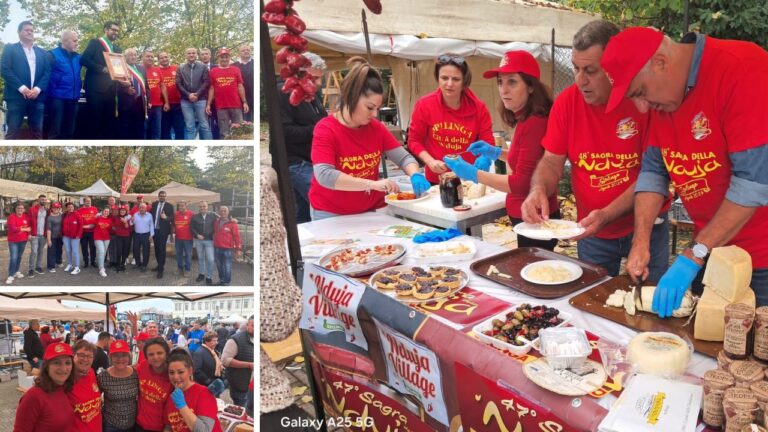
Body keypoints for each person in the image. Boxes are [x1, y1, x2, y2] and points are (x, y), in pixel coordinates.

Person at [599, 27, 768, 314]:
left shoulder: (741, 69)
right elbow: (654, 171)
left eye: (640, 92)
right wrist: (640, 242)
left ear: (660, 62)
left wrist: (693, 255)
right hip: (711, 251)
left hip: (761, 260)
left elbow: (754, 183)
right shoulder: (665, 97)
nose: (641, 108)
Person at [520, 20, 670, 280]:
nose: (580, 80)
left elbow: (654, 174)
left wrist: (608, 214)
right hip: (592, 231)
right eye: (576, 69)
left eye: (590, 70)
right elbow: (551, 162)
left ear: (615, 66)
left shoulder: (643, 100)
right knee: (592, 299)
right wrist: (538, 189)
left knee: (650, 302)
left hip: (647, 228)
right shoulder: (567, 103)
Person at [444, 50, 559, 250]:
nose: (503, 90)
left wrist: (474, 174)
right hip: (530, 217)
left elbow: (521, 183)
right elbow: (527, 161)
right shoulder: (526, 119)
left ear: (531, 86)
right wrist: (497, 153)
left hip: (534, 218)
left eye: (512, 82)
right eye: (500, 82)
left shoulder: (534, 123)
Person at [309, 56, 431, 219]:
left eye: (377, 108)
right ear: (351, 98)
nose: (374, 114)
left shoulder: (376, 128)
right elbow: (325, 175)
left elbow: (403, 158)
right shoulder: (326, 129)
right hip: (331, 212)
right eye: (369, 107)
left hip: (372, 208)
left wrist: (415, 174)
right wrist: (371, 184)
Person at [407, 53, 494, 185]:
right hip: (436, 180)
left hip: (469, 179)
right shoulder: (424, 105)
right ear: (437, 78)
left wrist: (485, 157)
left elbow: (488, 141)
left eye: (456, 79)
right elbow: (414, 140)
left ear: (464, 80)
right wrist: (430, 161)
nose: (449, 84)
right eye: (444, 78)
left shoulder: (479, 108)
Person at [278, 51, 328, 224]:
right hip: (295, 161)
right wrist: (318, 129)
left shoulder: (311, 93)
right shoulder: (284, 92)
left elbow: (320, 118)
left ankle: (304, 246)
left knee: (303, 212)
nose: (319, 83)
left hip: (311, 159)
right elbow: (283, 132)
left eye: (319, 78)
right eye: (314, 79)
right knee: (324, 203)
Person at [1, 21, 51, 139]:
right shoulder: (10, 49)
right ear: (19, 32)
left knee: (37, 134)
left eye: (32, 30)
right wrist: (22, 88)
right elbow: (5, 69)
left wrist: (37, 89)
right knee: (12, 133)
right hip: (16, 97)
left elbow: (47, 72)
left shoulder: (42, 52)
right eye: (26, 30)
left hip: (37, 98)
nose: (30, 32)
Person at [13, 342, 75, 432]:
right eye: (57, 363)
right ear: (47, 366)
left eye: (68, 363)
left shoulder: (63, 388)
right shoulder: (33, 397)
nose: (63, 368)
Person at [81, 21, 124, 139]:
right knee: (95, 122)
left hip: (111, 90)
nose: (115, 32)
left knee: (109, 123)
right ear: (106, 29)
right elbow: (84, 60)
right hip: (95, 89)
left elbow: (119, 68)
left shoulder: (117, 49)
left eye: (117, 31)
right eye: (113, 30)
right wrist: (102, 69)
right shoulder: (95, 43)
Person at [164, 348, 223, 432]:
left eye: (180, 372)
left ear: (190, 371)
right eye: (171, 372)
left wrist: (182, 406)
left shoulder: (203, 394)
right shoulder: (171, 398)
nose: (175, 377)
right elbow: (168, 426)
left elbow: (204, 430)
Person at [206, 47, 249, 138]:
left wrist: (244, 102)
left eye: (226, 57)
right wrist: (208, 104)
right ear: (219, 58)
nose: (224, 59)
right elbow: (212, 88)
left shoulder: (236, 69)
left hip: (236, 105)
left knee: (239, 132)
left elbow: (240, 86)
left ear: (229, 57)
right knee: (224, 132)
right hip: (221, 107)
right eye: (222, 57)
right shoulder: (213, 71)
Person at [46, 29, 81, 139]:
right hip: (57, 98)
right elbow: (43, 75)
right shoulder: (51, 55)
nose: (77, 43)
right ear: (65, 41)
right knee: (56, 131)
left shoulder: (78, 57)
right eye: (75, 40)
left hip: (74, 98)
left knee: (70, 132)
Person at [98, 340, 139, 432]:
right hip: (111, 425)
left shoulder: (136, 374)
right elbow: (94, 398)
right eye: (116, 355)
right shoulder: (102, 376)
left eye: (123, 355)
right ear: (110, 357)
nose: (120, 359)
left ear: (129, 357)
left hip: (132, 424)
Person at [136, 338, 173, 432]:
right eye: (151, 354)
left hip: (160, 428)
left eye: (159, 353)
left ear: (166, 354)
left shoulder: (173, 374)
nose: (155, 357)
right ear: (146, 357)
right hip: (139, 424)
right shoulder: (143, 366)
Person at [176, 47, 212, 140]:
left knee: (204, 126)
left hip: (200, 100)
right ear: (185, 55)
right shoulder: (180, 68)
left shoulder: (203, 67)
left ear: (196, 55)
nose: (191, 55)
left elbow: (206, 82)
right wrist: (188, 95)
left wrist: (197, 94)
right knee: (189, 127)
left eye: (193, 53)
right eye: (189, 53)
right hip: (185, 101)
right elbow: (178, 83)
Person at [68, 340, 102, 431]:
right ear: (73, 355)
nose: (85, 359)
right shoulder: (65, 379)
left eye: (90, 356)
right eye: (81, 355)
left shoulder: (91, 372)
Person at [222, 315, 253, 407]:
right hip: (240, 385)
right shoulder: (235, 339)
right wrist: (249, 365)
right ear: (248, 325)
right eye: (253, 325)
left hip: (254, 385)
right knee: (243, 410)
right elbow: (225, 360)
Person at [117, 47, 147, 139]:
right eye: (131, 55)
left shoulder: (141, 69)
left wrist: (148, 100)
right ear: (125, 57)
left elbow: (146, 86)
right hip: (126, 103)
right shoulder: (120, 67)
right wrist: (125, 90)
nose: (133, 57)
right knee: (126, 129)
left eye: (135, 55)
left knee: (139, 129)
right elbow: (114, 85)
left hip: (140, 103)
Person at [158, 52, 185, 139]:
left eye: (166, 57)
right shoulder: (157, 70)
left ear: (169, 58)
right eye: (162, 58)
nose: (164, 59)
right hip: (163, 104)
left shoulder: (176, 68)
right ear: (158, 60)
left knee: (179, 128)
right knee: (165, 129)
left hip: (178, 104)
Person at [213, 206, 241, 286]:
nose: (223, 212)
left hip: (228, 249)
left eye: (225, 211)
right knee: (219, 266)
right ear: (219, 212)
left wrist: (238, 249)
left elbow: (237, 237)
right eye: (221, 211)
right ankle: (221, 280)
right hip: (217, 248)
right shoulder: (216, 222)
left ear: (228, 212)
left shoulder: (233, 224)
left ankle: (227, 282)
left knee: (227, 266)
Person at [192, 331, 225, 397]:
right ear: (207, 342)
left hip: (214, 385)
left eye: (217, 340)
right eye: (214, 341)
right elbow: (196, 370)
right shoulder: (199, 353)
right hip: (205, 387)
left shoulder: (213, 351)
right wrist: (209, 381)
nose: (216, 343)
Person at [143, 50, 167, 140]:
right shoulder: (138, 69)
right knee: (144, 129)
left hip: (157, 105)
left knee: (157, 130)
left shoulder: (157, 70)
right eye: (147, 56)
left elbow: (163, 86)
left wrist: (166, 102)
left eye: (152, 57)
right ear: (143, 57)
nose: (150, 58)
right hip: (143, 106)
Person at [191, 201, 216, 285]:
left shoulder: (213, 215)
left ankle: (209, 276)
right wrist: (197, 235)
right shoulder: (195, 216)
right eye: (201, 206)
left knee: (210, 259)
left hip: (209, 241)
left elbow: (223, 218)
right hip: (199, 241)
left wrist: (232, 220)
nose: (202, 208)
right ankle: (201, 274)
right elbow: (191, 228)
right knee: (201, 258)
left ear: (207, 206)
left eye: (204, 206)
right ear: (199, 207)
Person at [151, 190, 174, 279]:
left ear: (166, 197)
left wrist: (166, 217)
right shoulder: (154, 204)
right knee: (156, 249)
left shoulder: (169, 206)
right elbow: (152, 216)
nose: (162, 197)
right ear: (158, 196)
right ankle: (158, 265)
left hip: (163, 231)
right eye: (161, 196)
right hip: (155, 231)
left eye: (164, 196)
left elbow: (172, 218)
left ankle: (161, 269)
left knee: (161, 250)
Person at [7, 202, 32, 284]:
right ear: (15, 209)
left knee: (19, 256)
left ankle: (16, 271)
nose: (20, 210)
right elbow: (13, 229)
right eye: (18, 208)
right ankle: (10, 275)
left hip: (23, 240)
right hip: (13, 241)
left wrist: (29, 234)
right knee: (14, 257)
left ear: (24, 209)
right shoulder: (11, 217)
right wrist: (25, 230)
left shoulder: (26, 217)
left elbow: (29, 227)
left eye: (21, 208)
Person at [27, 194, 48, 277]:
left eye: (44, 199)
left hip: (43, 235)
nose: (43, 201)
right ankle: (31, 269)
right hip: (34, 235)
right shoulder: (32, 209)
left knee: (41, 251)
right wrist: (29, 234)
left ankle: (38, 267)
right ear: (38, 200)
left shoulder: (47, 210)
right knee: (34, 252)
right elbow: (28, 222)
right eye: (41, 199)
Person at [233, 44, 254, 123]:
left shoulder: (256, 63)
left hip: (253, 96)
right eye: (243, 50)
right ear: (239, 53)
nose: (246, 51)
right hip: (239, 98)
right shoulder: (234, 66)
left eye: (247, 50)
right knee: (242, 123)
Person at [173, 200, 194, 276]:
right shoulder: (175, 214)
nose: (181, 207)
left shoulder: (191, 214)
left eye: (182, 205)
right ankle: (180, 269)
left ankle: (187, 269)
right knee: (179, 254)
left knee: (188, 255)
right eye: (179, 205)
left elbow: (197, 223)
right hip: (178, 238)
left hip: (188, 239)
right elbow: (172, 223)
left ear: (186, 205)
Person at [131, 202, 154, 272]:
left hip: (146, 235)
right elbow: (131, 223)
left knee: (146, 251)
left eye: (143, 207)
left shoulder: (149, 215)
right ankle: (138, 263)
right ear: (139, 208)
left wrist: (151, 235)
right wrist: (131, 221)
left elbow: (152, 225)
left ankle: (144, 265)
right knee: (136, 250)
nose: (141, 209)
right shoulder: (135, 214)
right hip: (137, 235)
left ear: (146, 208)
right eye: (140, 207)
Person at [62, 202, 83, 275]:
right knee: (68, 251)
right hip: (66, 236)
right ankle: (69, 264)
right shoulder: (64, 215)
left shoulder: (77, 214)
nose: (70, 208)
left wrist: (78, 235)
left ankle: (77, 267)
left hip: (75, 237)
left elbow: (81, 225)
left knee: (75, 251)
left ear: (73, 207)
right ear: (66, 208)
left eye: (72, 207)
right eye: (69, 207)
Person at [77, 197, 98, 269]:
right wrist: (84, 227)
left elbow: (97, 219)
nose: (88, 202)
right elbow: (78, 221)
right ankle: (86, 262)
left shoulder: (94, 209)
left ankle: (93, 261)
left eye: (89, 201)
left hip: (93, 232)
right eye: (87, 201)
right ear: (84, 202)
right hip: (83, 233)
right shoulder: (80, 210)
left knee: (93, 247)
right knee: (84, 247)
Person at [93, 206, 114, 277]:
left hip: (106, 238)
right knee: (101, 252)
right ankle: (101, 269)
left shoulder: (110, 220)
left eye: (108, 212)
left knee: (103, 253)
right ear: (102, 211)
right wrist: (83, 226)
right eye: (105, 211)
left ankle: (100, 264)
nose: (106, 212)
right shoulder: (98, 218)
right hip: (98, 238)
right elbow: (92, 224)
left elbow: (111, 229)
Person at [45, 202, 64, 272]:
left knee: (59, 250)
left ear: (59, 208)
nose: (56, 209)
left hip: (60, 236)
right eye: (54, 208)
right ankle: (51, 266)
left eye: (57, 208)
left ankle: (58, 261)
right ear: (52, 208)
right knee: (51, 251)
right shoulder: (50, 217)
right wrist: (49, 240)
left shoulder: (61, 215)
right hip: (52, 236)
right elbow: (48, 229)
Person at [112, 206, 131, 273]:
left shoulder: (128, 218)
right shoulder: (116, 218)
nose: (122, 211)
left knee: (125, 251)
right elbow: (113, 225)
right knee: (119, 251)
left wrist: (125, 222)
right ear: (119, 211)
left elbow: (127, 227)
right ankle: (118, 265)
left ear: (126, 211)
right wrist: (114, 228)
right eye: (121, 210)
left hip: (126, 237)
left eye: (124, 210)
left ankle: (123, 264)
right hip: (119, 236)